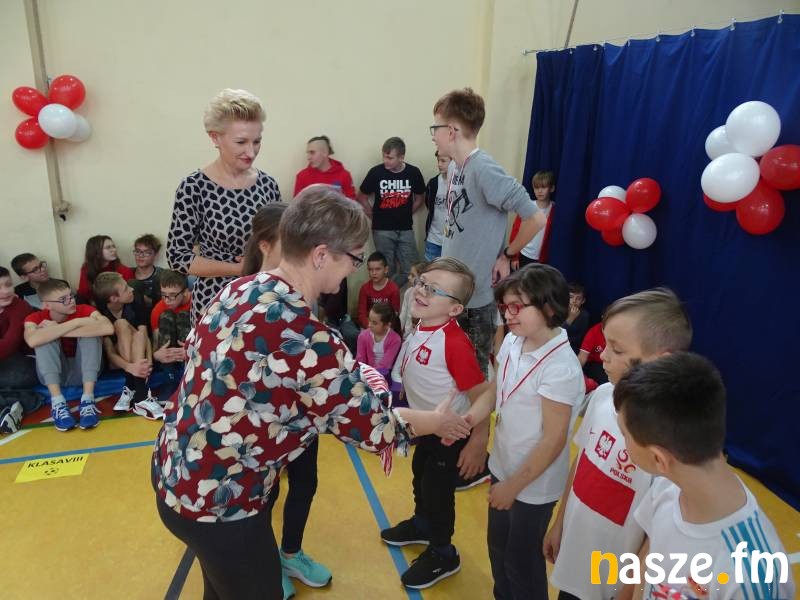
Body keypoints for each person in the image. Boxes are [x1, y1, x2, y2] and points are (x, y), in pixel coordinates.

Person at [152, 186, 473, 600]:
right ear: (321, 255)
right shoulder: (311, 339)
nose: (353, 270)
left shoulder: (240, 288)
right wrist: (435, 421)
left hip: (176, 471)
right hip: (222, 502)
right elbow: (375, 430)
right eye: (353, 258)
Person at [431, 87, 548, 496]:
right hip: (454, 293)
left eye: (436, 127)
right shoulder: (455, 170)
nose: (433, 135)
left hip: (476, 299)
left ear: (452, 130)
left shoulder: (483, 168)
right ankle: (459, 438)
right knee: (458, 374)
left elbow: (534, 216)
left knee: (477, 377)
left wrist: (509, 254)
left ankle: (478, 449)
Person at [544, 288, 692, 600]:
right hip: (575, 557)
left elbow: (656, 533)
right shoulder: (602, 396)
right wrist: (560, 522)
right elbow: (583, 462)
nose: (603, 356)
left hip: (614, 583)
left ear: (660, 360)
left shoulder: (671, 442)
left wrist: (629, 590)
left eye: (617, 349)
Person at [616, 352, 796, 600]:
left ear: (659, 459)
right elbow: (649, 558)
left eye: (624, 434)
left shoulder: (753, 578)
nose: (623, 442)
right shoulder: (667, 486)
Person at [463, 264, 585, 600]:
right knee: (498, 549)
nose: (508, 314)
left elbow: (553, 440)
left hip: (532, 486)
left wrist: (513, 487)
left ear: (549, 308)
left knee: (522, 564)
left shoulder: (560, 368)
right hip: (503, 467)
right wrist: (468, 420)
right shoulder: (514, 341)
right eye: (505, 306)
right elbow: (495, 390)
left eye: (517, 307)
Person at [242, 201, 333, 597]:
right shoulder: (248, 291)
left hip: (302, 415)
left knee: (305, 482)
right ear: (265, 245)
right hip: (262, 420)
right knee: (266, 490)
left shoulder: (301, 285)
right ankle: (264, 563)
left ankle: (291, 553)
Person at [385, 257, 487, 589]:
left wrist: (475, 437)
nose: (421, 291)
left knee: (438, 491)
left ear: (455, 309)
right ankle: (422, 524)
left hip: (449, 433)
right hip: (427, 426)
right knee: (420, 475)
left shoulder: (454, 343)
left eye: (434, 290)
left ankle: (444, 551)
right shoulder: (422, 325)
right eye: (421, 283)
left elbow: (483, 394)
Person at [167, 88, 282, 325]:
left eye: (257, 141)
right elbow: (177, 256)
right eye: (241, 142)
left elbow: (279, 242)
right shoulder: (194, 186)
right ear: (215, 138)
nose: (251, 151)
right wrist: (237, 269)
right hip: (215, 301)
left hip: (262, 298)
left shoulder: (268, 184)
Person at [23, 279, 113, 431]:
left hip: (85, 371)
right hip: (55, 375)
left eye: (71, 296)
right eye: (63, 299)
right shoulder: (35, 318)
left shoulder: (84, 310)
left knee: (91, 334)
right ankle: (58, 403)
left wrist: (60, 328)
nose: (71, 301)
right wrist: (75, 323)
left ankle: (88, 400)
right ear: (47, 305)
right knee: (43, 338)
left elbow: (108, 328)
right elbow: (32, 340)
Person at [357, 137, 425, 287]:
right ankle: (387, 300)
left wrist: (407, 213)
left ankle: (391, 294)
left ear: (401, 157)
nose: (385, 161)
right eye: (384, 156)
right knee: (386, 270)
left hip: (405, 229)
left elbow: (420, 198)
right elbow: (361, 197)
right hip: (382, 230)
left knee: (412, 270)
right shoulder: (376, 172)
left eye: (390, 158)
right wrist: (372, 215)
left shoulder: (413, 172)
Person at [93, 272, 162, 419]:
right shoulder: (101, 312)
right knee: (121, 324)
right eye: (126, 288)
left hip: (138, 353)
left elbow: (143, 335)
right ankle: (140, 391)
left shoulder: (135, 302)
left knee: (137, 334)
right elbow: (110, 352)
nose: (132, 289)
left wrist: (148, 362)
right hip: (118, 361)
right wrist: (130, 367)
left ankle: (132, 390)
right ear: (114, 298)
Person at [0, 266, 40, 433]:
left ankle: (21, 402)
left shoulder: (19, 307)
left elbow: (10, 345)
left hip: (27, 363)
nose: (5, 291)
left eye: (8, 285)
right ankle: (10, 408)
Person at [509, 170, 557, 268]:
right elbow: (516, 231)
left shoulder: (554, 210)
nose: (539, 191)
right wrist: (514, 257)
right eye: (536, 187)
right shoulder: (528, 206)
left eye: (543, 187)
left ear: (551, 188)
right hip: (523, 254)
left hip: (541, 259)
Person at [77, 235, 135, 303]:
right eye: (108, 247)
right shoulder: (87, 269)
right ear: (96, 251)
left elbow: (130, 294)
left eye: (113, 246)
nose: (114, 250)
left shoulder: (123, 270)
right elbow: (83, 293)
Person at [356, 251, 400, 328]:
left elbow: (394, 314)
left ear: (386, 269)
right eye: (370, 269)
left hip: (386, 327)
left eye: (378, 269)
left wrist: (383, 329)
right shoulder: (364, 288)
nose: (374, 273)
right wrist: (370, 327)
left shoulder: (393, 289)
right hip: (368, 326)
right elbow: (361, 314)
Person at [356, 303, 401, 372]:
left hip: (385, 373)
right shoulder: (363, 336)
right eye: (369, 320)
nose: (369, 325)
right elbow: (360, 360)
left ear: (387, 325)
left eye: (374, 323)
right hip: (365, 372)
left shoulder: (395, 340)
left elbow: (385, 365)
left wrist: (372, 374)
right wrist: (364, 373)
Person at [423, 151, 451, 261]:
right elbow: (428, 204)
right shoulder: (433, 183)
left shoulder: (460, 184)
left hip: (451, 240)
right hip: (433, 239)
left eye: (443, 161)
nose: (439, 164)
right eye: (438, 160)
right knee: (431, 269)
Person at [129, 234, 164, 316]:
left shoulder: (161, 274)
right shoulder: (128, 273)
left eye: (146, 252)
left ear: (155, 255)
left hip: (155, 314)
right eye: (138, 251)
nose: (141, 256)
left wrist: (144, 299)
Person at [399, 261, 427, 337]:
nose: (409, 277)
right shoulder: (408, 292)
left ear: (422, 279)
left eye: (413, 275)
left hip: (417, 335)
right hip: (405, 335)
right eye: (409, 274)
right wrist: (398, 331)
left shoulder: (425, 298)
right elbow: (403, 315)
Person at [579, 321, 608, 386]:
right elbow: (582, 357)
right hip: (595, 363)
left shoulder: (620, 331)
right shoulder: (593, 332)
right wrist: (574, 374)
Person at [564, 282, 589, 353]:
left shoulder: (584, 316)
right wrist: (571, 318)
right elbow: (556, 334)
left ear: (583, 301)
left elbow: (580, 339)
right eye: (571, 297)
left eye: (578, 298)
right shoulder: (560, 310)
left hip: (572, 348)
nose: (574, 301)